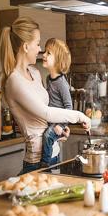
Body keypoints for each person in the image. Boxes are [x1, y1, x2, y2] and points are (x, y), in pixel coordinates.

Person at [0, 17, 91, 174]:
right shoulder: (14, 81)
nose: (39, 48)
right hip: (36, 161)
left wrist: (60, 130)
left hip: (55, 154)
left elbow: (48, 113)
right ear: (26, 47)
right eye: (37, 43)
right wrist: (80, 116)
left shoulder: (35, 73)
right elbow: (45, 112)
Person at [40, 38, 73, 167]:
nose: (43, 55)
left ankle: (45, 164)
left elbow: (68, 107)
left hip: (58, 123)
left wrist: (61, 125)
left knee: (48, 135)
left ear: (58, 61)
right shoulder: (48, 79)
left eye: (48, 53)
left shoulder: (61, 83)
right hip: (51, 121)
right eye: (45, 51)